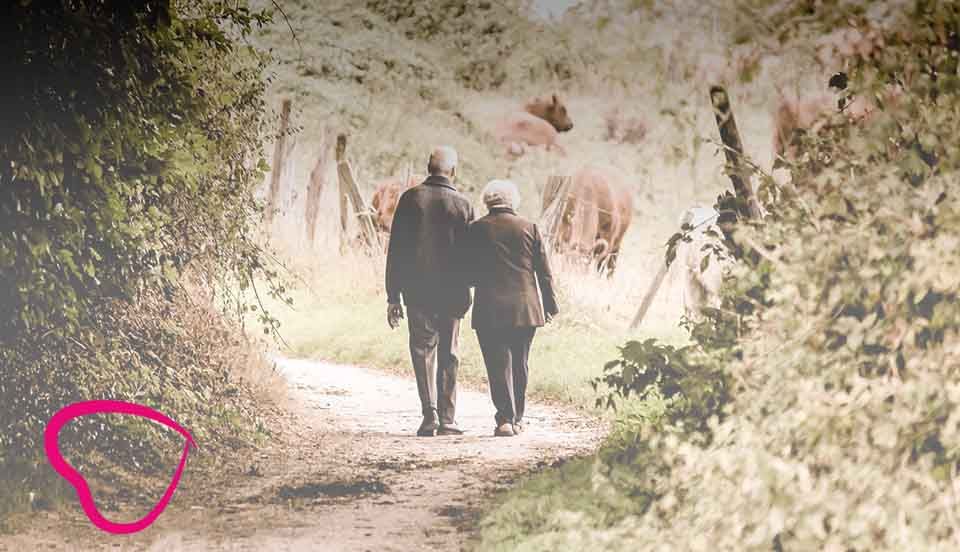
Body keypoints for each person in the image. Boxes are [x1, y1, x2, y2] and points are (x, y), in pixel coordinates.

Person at [385, 146, 475, 437]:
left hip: (418, 291)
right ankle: (448, 418)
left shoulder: (411, 199)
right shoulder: (463, 205)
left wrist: (393, 295)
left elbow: (395, 250)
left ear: (428, 166)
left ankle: (430, 415)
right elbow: (471, 255)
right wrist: (471, 288)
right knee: (449, 352)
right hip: (453, 293)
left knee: (422, 350)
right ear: (454, 171)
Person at [464, 179, 559, 437]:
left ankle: (504, 419)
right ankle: (517, 418)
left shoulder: (475, 229)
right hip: (525, 307)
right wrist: (550, 305)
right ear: (513, 201)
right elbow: (544, 272)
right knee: (520, 363)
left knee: (497, 365)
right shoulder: (530, 228)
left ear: (487, 201)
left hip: (490, 308)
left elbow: (467, 271)